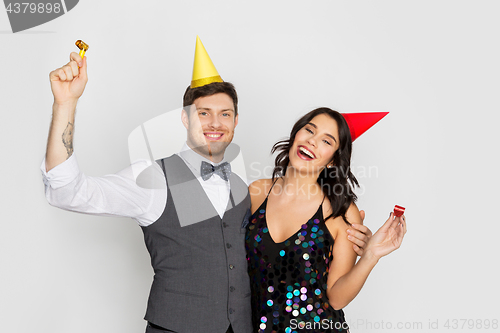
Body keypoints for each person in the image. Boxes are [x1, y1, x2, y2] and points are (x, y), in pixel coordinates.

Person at [41, 38, 373, 333]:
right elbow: (67, 190)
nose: (215, 123)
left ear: (235, 122)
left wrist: (359, 245)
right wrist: (65, 104)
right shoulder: (152, 178)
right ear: (185, 118)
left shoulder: (247, 191)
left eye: (225, 114)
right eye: (203, 113)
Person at [245, 108, 407, 332]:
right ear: (295, 136)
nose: (312, 141)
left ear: (333, 160)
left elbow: (337, 298)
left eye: (326, 141)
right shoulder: (256, 193)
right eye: (309, 130)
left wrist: (371, 255)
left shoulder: (342, 211)